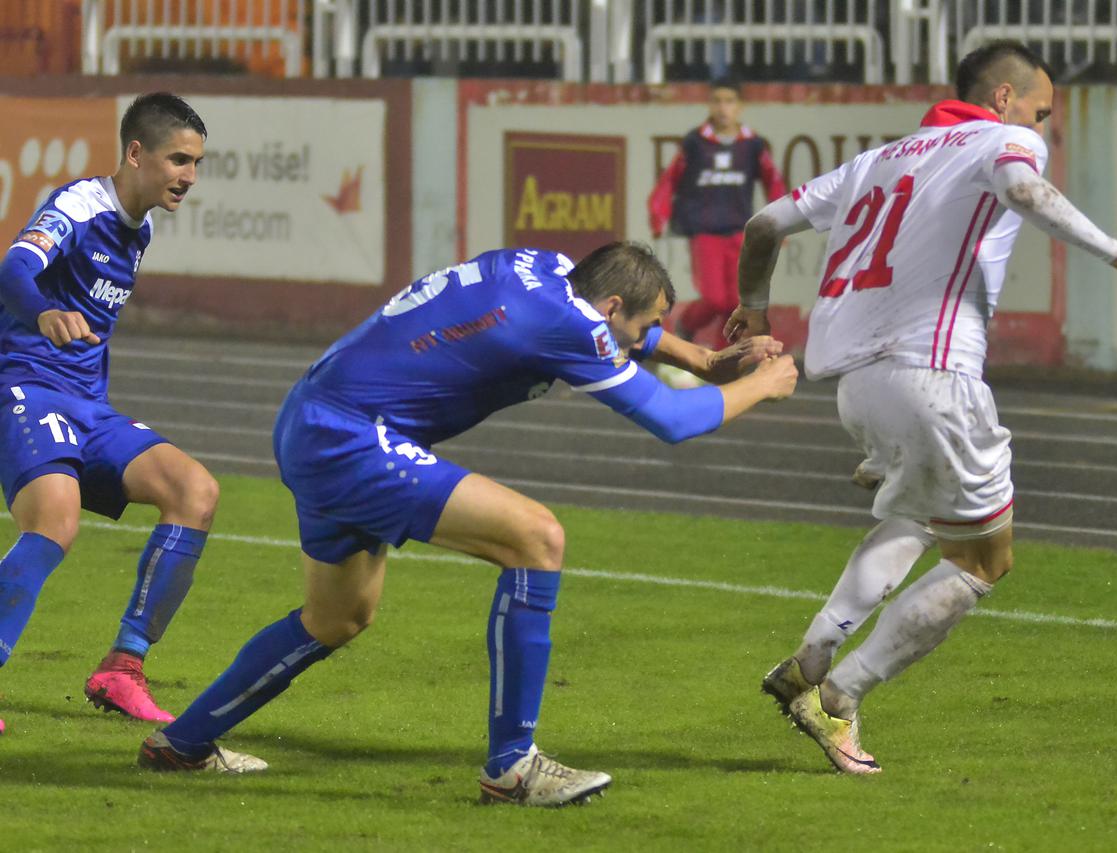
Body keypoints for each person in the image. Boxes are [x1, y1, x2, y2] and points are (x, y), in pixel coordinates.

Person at [137, 242, 798, 806]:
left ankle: (182, 743)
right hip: (351, 439)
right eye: (639, 326)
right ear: (610, 310)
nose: (636, 344)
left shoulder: (552, 267)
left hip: (315, 416)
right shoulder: (577, 326)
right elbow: (674, 421)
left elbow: (629, 333)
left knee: (336, 615)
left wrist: (706, 362)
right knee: (537, 538)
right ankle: (512, 765)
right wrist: (763, 385)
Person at [726, 41, 1117, 774]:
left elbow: (762, 228)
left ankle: (810, 656)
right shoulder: (1005, 139)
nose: (1044, 127)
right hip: (933, 377)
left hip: (853, 389)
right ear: (1003, 99)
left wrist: (754, 308)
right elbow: (1026, 193)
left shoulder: (879, 159)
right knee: (983, 559)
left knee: (914, 518)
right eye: (1042, 109)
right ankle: (838, 698)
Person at [0, 93, 213, 734]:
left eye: (197, 163)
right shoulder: (79, 205)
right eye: (179, 159)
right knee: (56, 522)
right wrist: (42, 312)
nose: (189, 176)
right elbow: (15, 266)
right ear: (136, 152)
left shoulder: (138, 229)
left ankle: (124, 667)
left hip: (88, 408)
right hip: (29, 390)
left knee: (195, 491)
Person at [648, 78, 786, 350]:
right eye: (717, 101)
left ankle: (725, 363)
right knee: (713, 299)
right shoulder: (695, 143)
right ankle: (685, 325)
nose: (723, 107)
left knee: (736, 303)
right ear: (710, 105)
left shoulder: (752, 145)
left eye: (729, 101)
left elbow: (774, 181)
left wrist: (781, 222)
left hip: (739, 232)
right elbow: (670, 179)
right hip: (705, 232)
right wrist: (658, 213)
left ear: (740, 107)